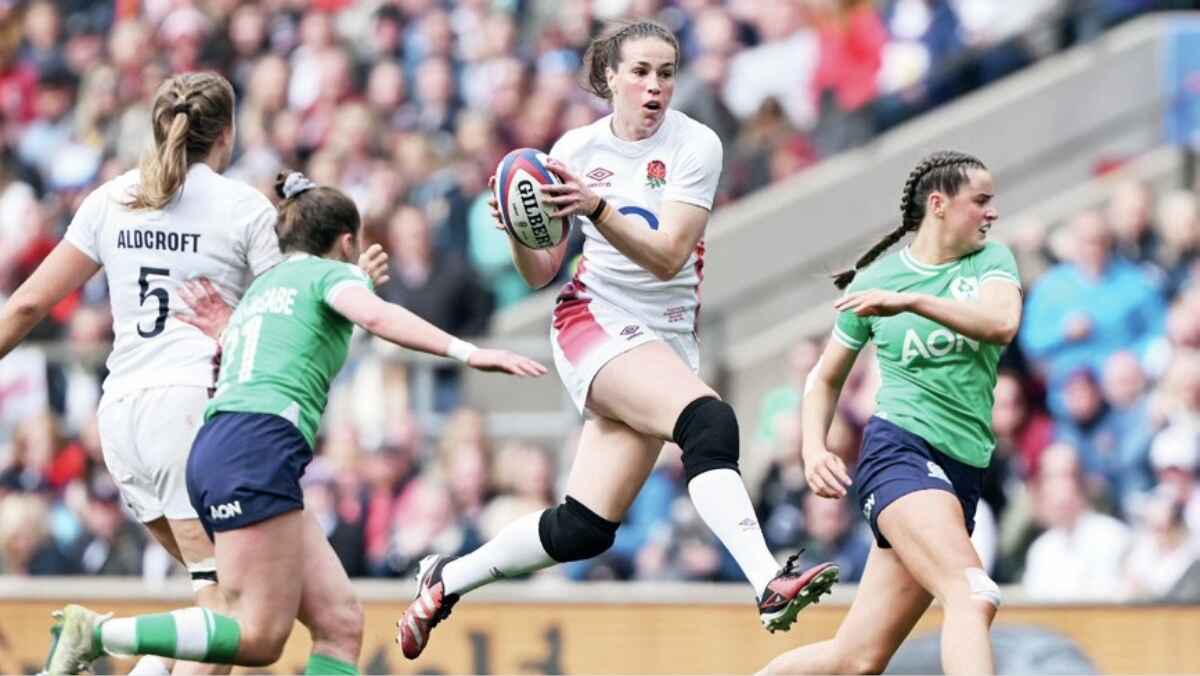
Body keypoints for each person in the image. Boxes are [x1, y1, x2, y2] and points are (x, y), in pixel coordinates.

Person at [396, 18, 838, 661]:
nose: (654, 86)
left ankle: (445, 579)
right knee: (709, 422)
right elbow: (542, 273)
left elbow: (668, 256)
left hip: (663, 338)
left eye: (665, 72)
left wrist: (595, 208)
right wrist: (523, 231)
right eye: (640, 72)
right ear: (609, 77)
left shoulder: (698, 145)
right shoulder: (575, 149)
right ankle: (768, 580)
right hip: (592, 320)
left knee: (584, 529)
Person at [43, 171, 546, 675]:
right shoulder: (332, 277)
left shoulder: (265, 289)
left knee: (340, 624)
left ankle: (135, 653)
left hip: (224, 445)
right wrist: (467, 350)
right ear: (348, 241)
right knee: (257, 636)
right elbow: (376, 318)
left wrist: (355, 281)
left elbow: (306, 328)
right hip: (256, 448)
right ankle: (98, 633)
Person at [0, 71, 393, 676]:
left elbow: (25, 306)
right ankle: (97, 635)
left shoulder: (110, 199)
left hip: (124, 421)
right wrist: (350, 284)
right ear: (227, 135)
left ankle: (99, 640)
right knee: (231, 628)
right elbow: (281, 320)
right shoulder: (244, 210)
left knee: (325, 618)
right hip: (197, 418)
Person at [761, 150, 1022, 675]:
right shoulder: (877, 281)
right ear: (939, 204)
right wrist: (814, 446)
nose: (991, 213)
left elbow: (1000, 325)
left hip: (961, 473)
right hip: (899, 453)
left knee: (855, 660)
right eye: (981, 201)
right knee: (971, 591)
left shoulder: (993, 262)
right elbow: (825, 377)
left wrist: (912, 303)